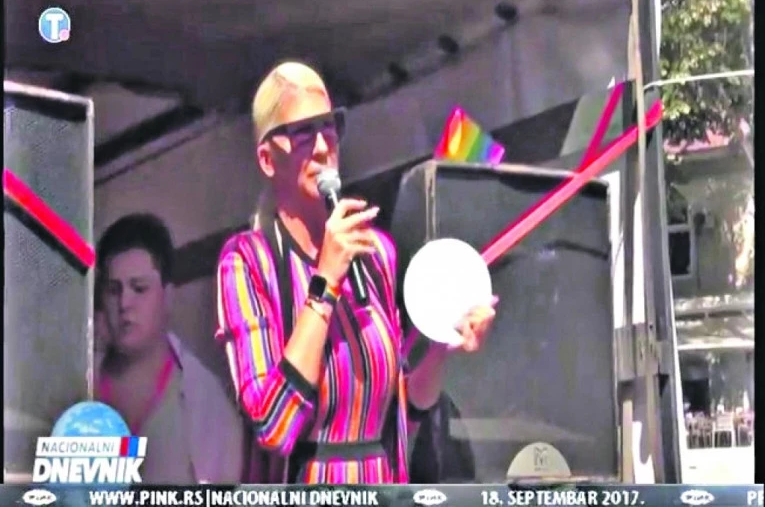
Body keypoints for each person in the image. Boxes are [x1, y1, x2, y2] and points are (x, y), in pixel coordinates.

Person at [215, 60, 498, 484]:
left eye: (329, 126)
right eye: (301, 133)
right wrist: (325, 283)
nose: (322, 148)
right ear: (267, 160)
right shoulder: (247, 261)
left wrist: (444, 343)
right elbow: (274, 425)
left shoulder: (375, 253)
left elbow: (404, 415)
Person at [95, 213, 244, 484]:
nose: (124, 303)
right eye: (114, 290)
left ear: (167, 296)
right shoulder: (77, 384)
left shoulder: (208, 408)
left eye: (139, 288)